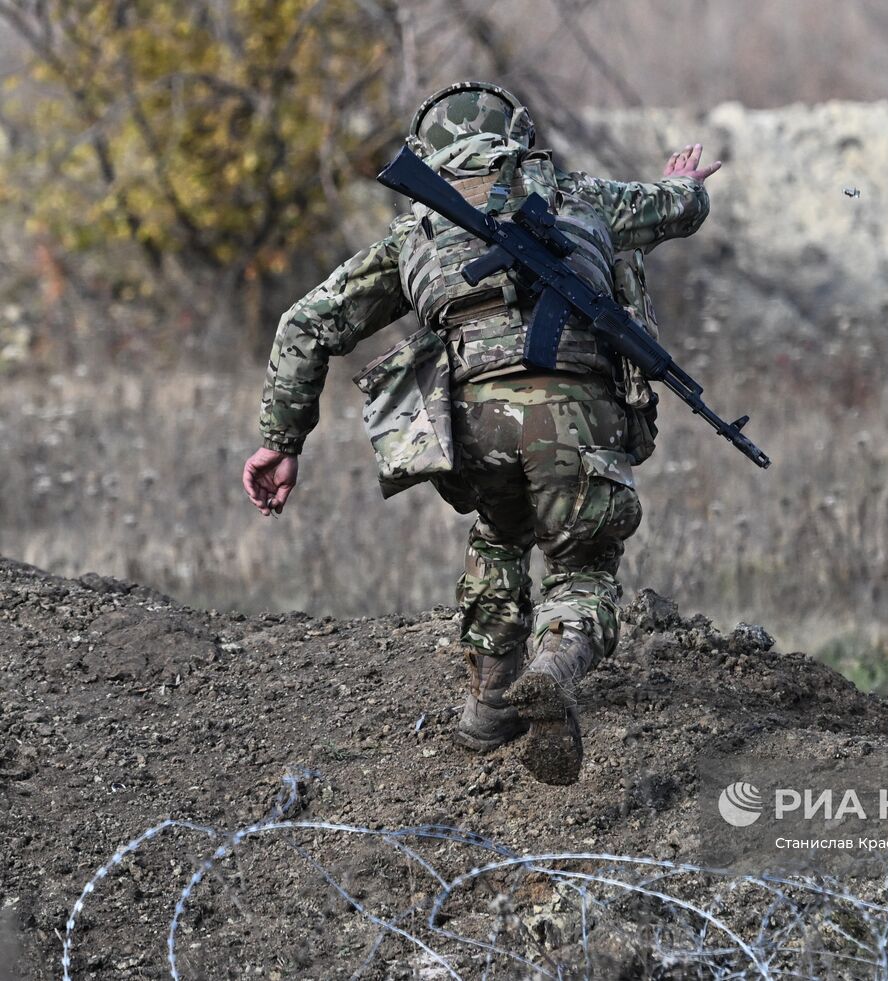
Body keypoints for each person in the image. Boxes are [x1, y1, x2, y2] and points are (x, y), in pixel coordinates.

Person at [241, 81, 719, 785]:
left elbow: (306, 325)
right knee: (580, 565)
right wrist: (686, 184)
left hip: (468, 421)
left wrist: (280, 441)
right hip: (577, 410)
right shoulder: (582, 197)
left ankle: (491, 706)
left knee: (499, 533)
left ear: (431, 153)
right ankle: (553, 668)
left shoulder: (420, 227)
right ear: (518, 135)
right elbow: (676, 208)